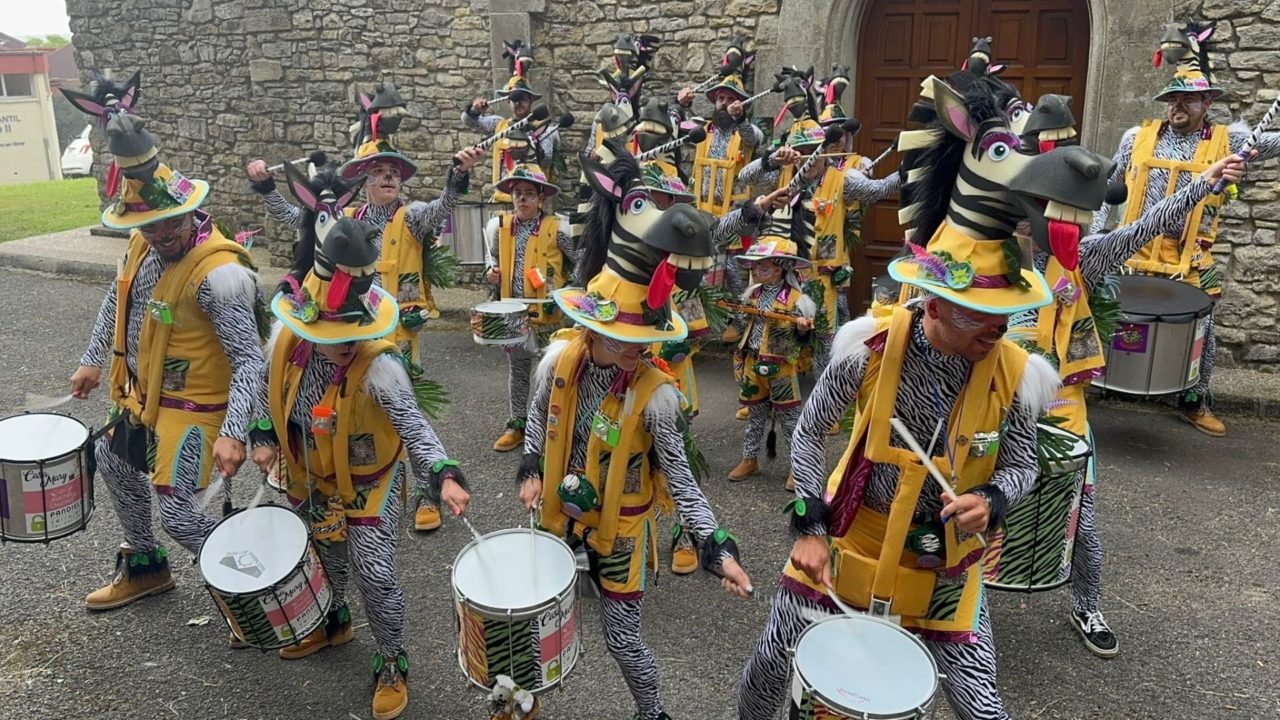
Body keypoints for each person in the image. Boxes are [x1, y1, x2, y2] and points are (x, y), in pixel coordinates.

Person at [736, 70, 1078, 720]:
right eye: (981, 316)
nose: (998, 330)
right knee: (770, 668)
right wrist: (809, 525)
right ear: (935, 305)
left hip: (944, 559)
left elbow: (1023, 464)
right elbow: (808, 434)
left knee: (982, 707)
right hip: (851, 536)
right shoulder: (868, 347)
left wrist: (993, 500)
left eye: (1005, 314)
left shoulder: (1017, 372)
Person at [518, 146, 754, 720]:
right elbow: (537, 420)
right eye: (621, 338)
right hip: (555, 510)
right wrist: (530, 468)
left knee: (623, 639)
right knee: (533, 618)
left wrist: (716, 546)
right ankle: (519, 697)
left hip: (621, 529)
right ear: (591, 327)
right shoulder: (558, 363)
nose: (634, 350)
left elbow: (681, 477)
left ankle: (653, 711)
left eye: (642, 341)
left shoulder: (657, 396)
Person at [1013, 115, 1253, 657]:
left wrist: (1206, 180)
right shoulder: (989, 253)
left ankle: (1087, 604)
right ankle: (949, 608)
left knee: (1083, 524)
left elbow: (1145, 226)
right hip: (992, 406)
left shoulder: (1086, 256)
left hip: (1060, 408)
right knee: (957, 506)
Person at [250, 218, 470, 720]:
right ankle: (333, 622)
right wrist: (263, 435)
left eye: (355, 331)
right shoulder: (286, 345)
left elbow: (413, 424)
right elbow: (265, 390)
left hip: (371, 481)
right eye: (336, 333)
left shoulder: (381, 367)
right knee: (324, 556)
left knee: (375, 572)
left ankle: (391, 660)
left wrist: (443, 473)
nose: (347, 342)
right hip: (311, 475)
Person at [67, 82, 264, 612]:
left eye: (171, 222)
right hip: (142, 397)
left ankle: (255, 587)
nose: (161, 234)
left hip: (197, 408)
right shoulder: (140, 246)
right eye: (150, 226)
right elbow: (118, 300)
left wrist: (235, 431)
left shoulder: (221, 276)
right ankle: (148, 567)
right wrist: (92, 360)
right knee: (112, 461)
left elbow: (250, 361)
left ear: (191, 209)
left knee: (178, 512)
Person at [247, 93, 482, 533]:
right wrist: (266, 187)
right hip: (341, 328)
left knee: (403, 408)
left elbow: (443, 208)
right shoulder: (344, 217)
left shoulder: (412, 217)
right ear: (363, 181)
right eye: (380, 171)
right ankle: (340, 482)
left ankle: (424, 491)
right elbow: (298, 217)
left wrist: (457, 177)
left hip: (399, 333)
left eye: (395, 173)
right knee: (340, 406)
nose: (389, 178)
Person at [1091, 20, 1280, 437]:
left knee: (1204, 327)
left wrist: (1244, 162)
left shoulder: (1230, 143)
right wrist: (1098, 235)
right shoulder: (1136, 138)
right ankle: (1085, 382)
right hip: (1131, 247)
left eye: (1189, 100)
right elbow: (1109, 188)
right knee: (1097, 313)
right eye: (1172, 99)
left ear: (1207, 102)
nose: (1178, 107)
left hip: (1190, 254)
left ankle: (1194, 401)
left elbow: (1273, 143)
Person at [739, 118, 900, 379]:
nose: (808, 158)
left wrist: (906, 171)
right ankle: (774, 389)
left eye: (813, 150)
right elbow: (745, 176)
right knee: (778, 332)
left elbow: (877, 190)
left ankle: (824, 394)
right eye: (800, 152)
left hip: (821, 278)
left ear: (825, 150)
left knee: (825, 340)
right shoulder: (780, 174)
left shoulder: (843, 179)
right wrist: (772, 158)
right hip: (783, 276)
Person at [483, 163, 576, 451]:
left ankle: (550, 425)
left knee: (552, 372)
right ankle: (517, 424)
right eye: (518, 193)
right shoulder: (499, 228)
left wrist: (569, 292)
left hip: (549, 314)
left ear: (541, 198)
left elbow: (580, 261)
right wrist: (491, 273)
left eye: (529, 193)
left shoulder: (558, 228)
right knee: (519, 371)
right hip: (514, 313)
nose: (522, 199)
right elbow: (492, 259)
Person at [727, 228, 816, 487]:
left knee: (790, 419)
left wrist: (802, 329)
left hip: (781, 368)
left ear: (779, 269)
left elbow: (806, 340)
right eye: (755, 266)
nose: (756, 271)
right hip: (753, 362)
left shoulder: (797, 300)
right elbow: (741, 323)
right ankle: (749, 458)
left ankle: (798, 467)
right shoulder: (752, 294)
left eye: (762, 267)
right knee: (755, 415)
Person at [464, 39, 561, 202]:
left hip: (530, 204)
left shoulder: (544, 128)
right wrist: (475, 109)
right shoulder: (498, 125)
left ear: (530, 100)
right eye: (514, 99)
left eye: (523, 99)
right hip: (502, 200)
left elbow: (546, 161)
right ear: (508, 102)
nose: (519, 103)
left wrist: (531, 146)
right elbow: (469, 121)